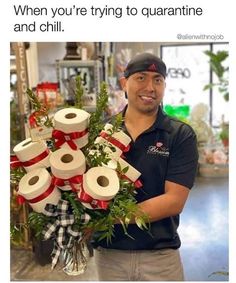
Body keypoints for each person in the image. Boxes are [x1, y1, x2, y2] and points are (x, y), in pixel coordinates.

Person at [92, 52, 199, 281]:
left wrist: (108, 217)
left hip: (161, 258)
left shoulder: (179, 135)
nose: (150, 87)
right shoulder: (100, 133)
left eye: (157, 80)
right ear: (124, 83)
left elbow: (174, 201)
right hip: (110, 255)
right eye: (141, 77)